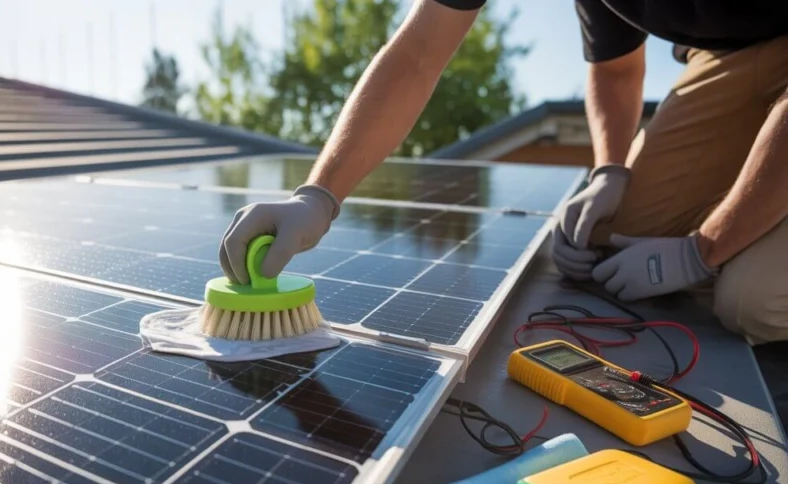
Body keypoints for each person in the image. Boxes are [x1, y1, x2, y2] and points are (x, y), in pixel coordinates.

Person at [218, 0, 788, 345]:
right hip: (728, 52)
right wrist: (318, 195)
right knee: (616, 236)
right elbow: (417, 54)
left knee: (753, 300)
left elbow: (701, 253)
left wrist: (703, 251)